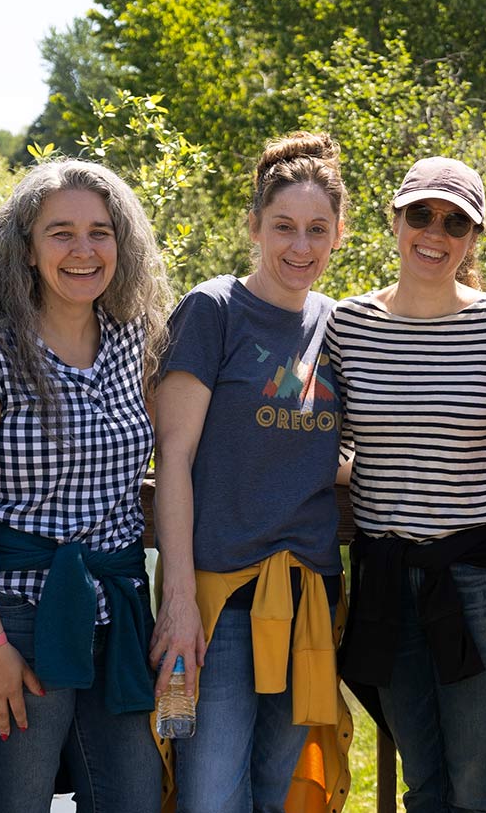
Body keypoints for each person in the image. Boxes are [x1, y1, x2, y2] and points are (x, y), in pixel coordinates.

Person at [0, 159, 171, 812]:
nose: (83, 250)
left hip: (116, 612)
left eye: (100, 231)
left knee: (135, 800)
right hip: (12, 614)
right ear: (27, 250)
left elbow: (182, 455)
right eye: (60, 232)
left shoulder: (137, 341)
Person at [149, 131, 352, 813]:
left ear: (339, 235)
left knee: (283, 792)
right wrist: (178, 601)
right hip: (223, 600)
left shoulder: (336, 323)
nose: (301, 247)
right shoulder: (214, 311)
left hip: (308, 600)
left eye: (317, 230)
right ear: (255, 227)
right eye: (284, 228)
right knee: (211, 795)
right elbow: (172, 457)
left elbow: (319, 437)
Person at [331, 157, 486, 813]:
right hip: (386, 577)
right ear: (394, 221)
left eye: (456, 221)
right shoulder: (345, 327)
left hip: (477, 580)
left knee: (479, 780)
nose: (435, 231)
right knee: (422, 779)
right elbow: (324, 437)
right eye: (420, 213)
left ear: (474, 237)